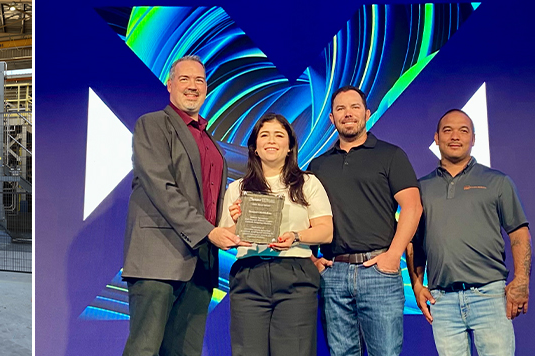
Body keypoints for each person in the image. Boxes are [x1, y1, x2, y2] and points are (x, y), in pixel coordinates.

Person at [121, 55, 240, 356]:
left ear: (207, 88)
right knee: (144, 350)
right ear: (169, 84)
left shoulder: (209, 141)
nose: (192, 86)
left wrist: (232, 219)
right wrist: (208, 231)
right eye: (185, 79)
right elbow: (161, 187)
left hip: (201, 264)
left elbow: (211, 199)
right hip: (158, 261)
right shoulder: (152, 124)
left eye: (199, 80)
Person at [307, 85, 423, 356]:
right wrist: (312, 260)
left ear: (367, 113)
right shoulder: (318, 166)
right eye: (340, 109)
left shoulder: (390, 155)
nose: (348, 114)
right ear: (332, 119)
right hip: (333, 275)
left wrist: (393, 256)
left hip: (379, 271)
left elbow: (413, 207)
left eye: (354, 107)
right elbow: (303, 218)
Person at [405, 109, 530, 356]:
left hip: (490, 296)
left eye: (463, 131)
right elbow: (414, 244)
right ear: (436, 138)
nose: (455, 136)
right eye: (447, 130)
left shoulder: (497, 181)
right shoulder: (420, 188)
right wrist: (417, 286)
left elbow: (519, 233)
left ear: (473, 139)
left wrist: (522, 280)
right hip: (442, 301)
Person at [219, 113, 333, 356]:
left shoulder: (307, 183)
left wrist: (296, 236)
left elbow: (326, 231)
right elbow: (225, 239)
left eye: (279, 135)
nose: (271, 140)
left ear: (290, 146)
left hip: (295, 274)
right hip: (249, 275)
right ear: (255, 147)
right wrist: (240, 224)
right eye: (264, 135)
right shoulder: (237, 189)